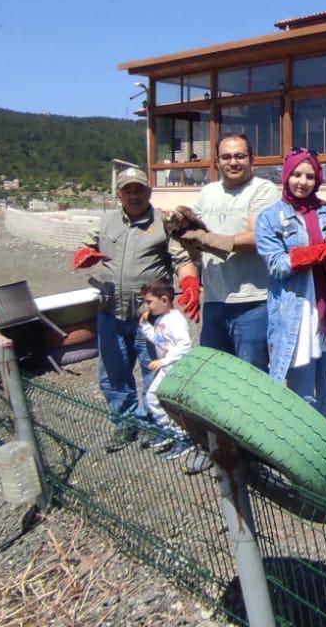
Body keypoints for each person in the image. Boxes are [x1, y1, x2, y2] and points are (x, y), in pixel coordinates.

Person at [71, 167, 199, 453]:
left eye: (138, 189)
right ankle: (125, 421)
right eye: (127, 190)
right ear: (119, 195)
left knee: (156, 372)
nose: (133, 195)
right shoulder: (105, 222)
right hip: (110, 312)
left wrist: (189, 283)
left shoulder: (163, 223)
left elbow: (181, 260)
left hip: (150, 318)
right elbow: (86, 245)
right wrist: (84, 255)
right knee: (113, 374)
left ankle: (153, 422)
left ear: (149, 192)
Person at [255, 147, 326, 420]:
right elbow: (277, 265)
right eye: (295, 174)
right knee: (301, 396)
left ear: (317, 179)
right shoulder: (269, 217)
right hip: (296, 312)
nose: (302, 182)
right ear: (285, 175)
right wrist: (320, 252)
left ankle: (321, 438)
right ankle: (302, 452)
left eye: (309, 176)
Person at [178, 134, 281, 369]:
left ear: (251, 159)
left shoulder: (264, 190)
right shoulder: (208, 192)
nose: (233, 162)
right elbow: (187, 237)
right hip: (215, 301)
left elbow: (256, 237)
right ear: (217, 162)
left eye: (239, 156)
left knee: (252, 378)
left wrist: (205, 238)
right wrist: (189, 280)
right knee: (215, 376)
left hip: (253, 303)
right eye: (226, 157)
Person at [136, 279, 194, 460]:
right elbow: (159, 339)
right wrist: (144, 326)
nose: (147, 306)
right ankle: (171, 432)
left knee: (154, 399)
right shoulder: (161, 319)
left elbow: (185, 345)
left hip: (175, 369)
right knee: (155, 400)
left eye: (149, 302)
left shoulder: (175, 320)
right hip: (167, 368)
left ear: (164, 300)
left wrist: (164, 361)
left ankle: (182, 438)